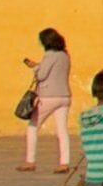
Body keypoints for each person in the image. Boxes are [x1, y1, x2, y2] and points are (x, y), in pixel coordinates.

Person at [20, 28, 74, 174]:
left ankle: (30, 161)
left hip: (49, 96)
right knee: (62, 130)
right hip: (65, 95)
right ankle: (64, 162)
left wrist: (35, 67)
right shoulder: (65, 55)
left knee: (32, 126)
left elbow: (42, 75)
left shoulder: (49, 55)